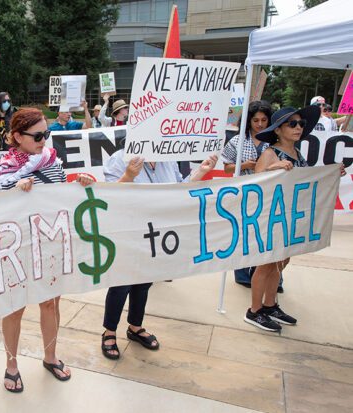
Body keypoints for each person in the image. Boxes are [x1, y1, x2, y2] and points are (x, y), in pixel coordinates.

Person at [0, 108, 94, 393]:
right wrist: (13, 188)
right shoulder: (1, 168)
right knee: (15, 307)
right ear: (17, 137)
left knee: (50, 304)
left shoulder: (53, 162)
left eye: (47, 133)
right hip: (16, 248)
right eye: (38, 135)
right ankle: (11, 365)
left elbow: (59, 200)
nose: (44, 140)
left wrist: (77, 186)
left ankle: (50, 356)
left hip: (49, 244)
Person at [100, 146, 218, 359]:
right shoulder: (119, 159)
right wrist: (128, 176)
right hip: (128, 231)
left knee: (145, 282)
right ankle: (109, 332)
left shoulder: (168, 159)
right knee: (121, 284)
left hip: (156, 232)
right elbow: (108, 197)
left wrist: (201, 171)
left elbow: (179, 190)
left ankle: (135, 327)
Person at [247, 105, 344, 332]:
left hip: (289, 218)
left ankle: (270, 305)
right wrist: (273, 167)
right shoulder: (270, 153)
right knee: (266, 263)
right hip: (271, 217)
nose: (299, 127)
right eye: (293, 124)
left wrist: (331, 173)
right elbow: (254, 184)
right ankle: (254, 310)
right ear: (278, 130)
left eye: (300, 124)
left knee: (280, 263)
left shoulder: (298, 154)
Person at [220, 101, 284, 290]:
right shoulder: (237, 141)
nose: (260, 124)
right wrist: (245, 165)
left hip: (271, 194)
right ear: (248, 121)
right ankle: (242, 274)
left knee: (269, 234)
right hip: (244, 193)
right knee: (244, 233)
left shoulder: (275, 141)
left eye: (264, 120)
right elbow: (226, 168)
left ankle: (272, 277)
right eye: (255, 120)